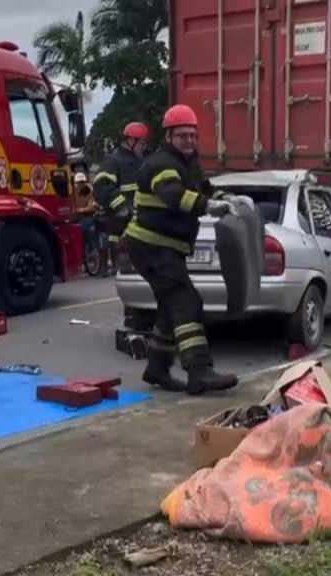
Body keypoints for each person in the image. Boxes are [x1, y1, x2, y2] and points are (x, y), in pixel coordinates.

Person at [123, 104, 238, 394]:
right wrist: (208, 206)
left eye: (192, 135)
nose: (189, 140)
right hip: (151, 247)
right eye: (182, 135)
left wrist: (229, 199)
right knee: (187, 302)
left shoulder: (188, 165)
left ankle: (158, 370)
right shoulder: (162, 164)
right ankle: (199, 371)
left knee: (169, 307)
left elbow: (204, 190)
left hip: (162, 249)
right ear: (169, 136)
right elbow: (173, 195)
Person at [94, 122, 150, 276]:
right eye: (142, 143)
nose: (143, 147)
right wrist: (121, 206)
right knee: (126, 277)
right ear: (131, 141)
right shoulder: (114, 161)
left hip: (140, 225)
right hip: (120, 227)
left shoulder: (141, 162)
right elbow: (102, 183)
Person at [73, 172, 100, 259]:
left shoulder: (89, 192)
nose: (80, 185)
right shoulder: (72, 193)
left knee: (84, 227)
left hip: (87, 216)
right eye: (78, 182)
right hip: (75, 216)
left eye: (82, 182)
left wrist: (80, 210)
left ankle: (92, 248)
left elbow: (92, 207)